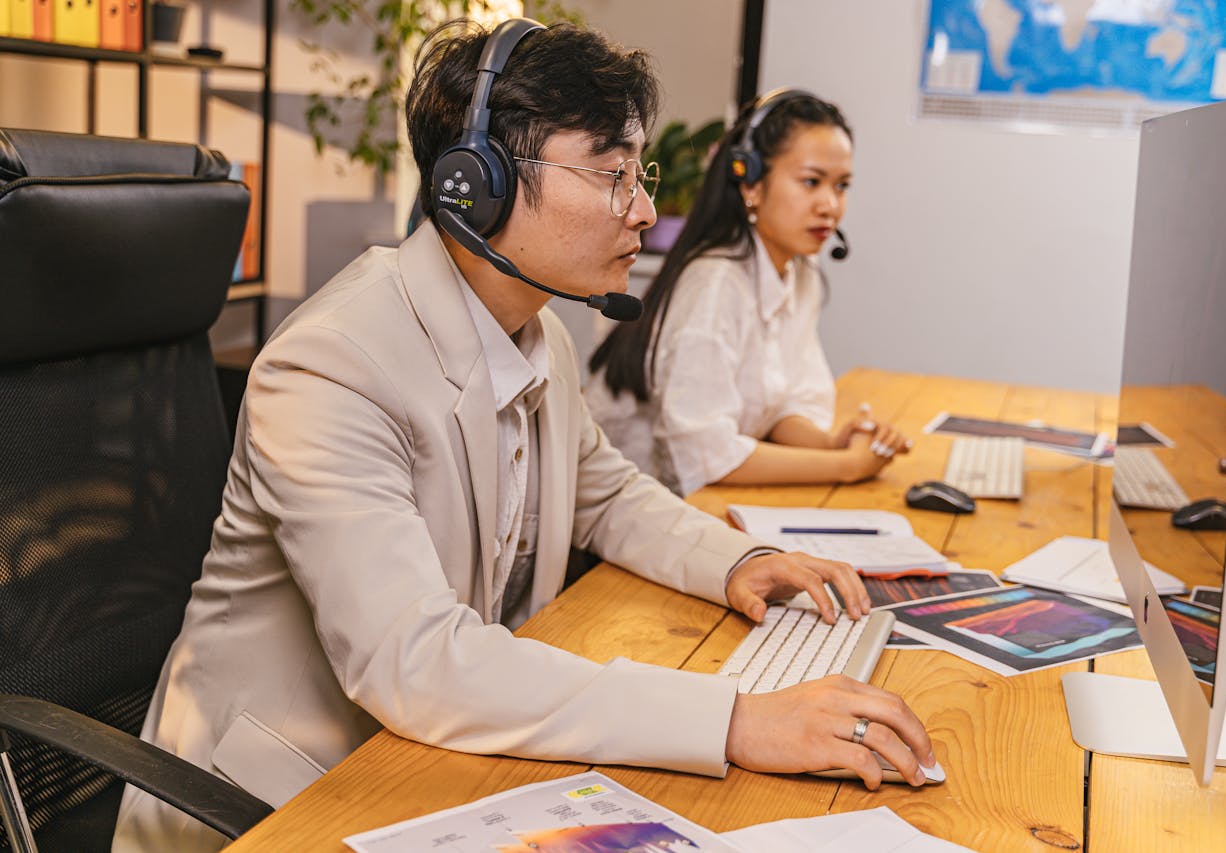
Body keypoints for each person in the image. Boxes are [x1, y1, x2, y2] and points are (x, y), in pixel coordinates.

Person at [112, 22, 935, 852]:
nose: (645, 212)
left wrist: (739, 561)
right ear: (479, 184)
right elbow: (416, 661)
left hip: (441, 766)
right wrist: (736, 721)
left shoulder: (540, 337)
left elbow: (606, 493)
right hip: (280, 802)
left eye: (637, 176)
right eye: (614, 176)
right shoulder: (333, 365)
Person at [585, 89, 911, 497]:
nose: (830, 205)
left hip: (700, 504)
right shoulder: (715, 282)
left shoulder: (800, 270)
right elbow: (703, 454)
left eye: (841, 185)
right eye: (811, 182)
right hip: (625, 515)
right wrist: (844, 465)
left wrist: (834, 444)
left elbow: (783, 407)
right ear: (751, 183)